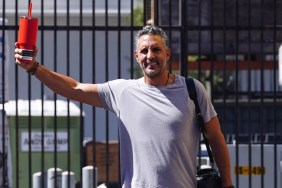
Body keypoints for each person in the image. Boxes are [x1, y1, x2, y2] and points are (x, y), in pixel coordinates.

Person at [15, 25, 233, 188]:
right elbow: (75, 89)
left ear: (167, 54)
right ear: (137, 57)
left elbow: (215, 137)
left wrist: (228, 182)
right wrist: (34, 67)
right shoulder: (122, 92)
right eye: (144, 51)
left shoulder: (192, 90)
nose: (150, 56)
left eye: (156, 50)